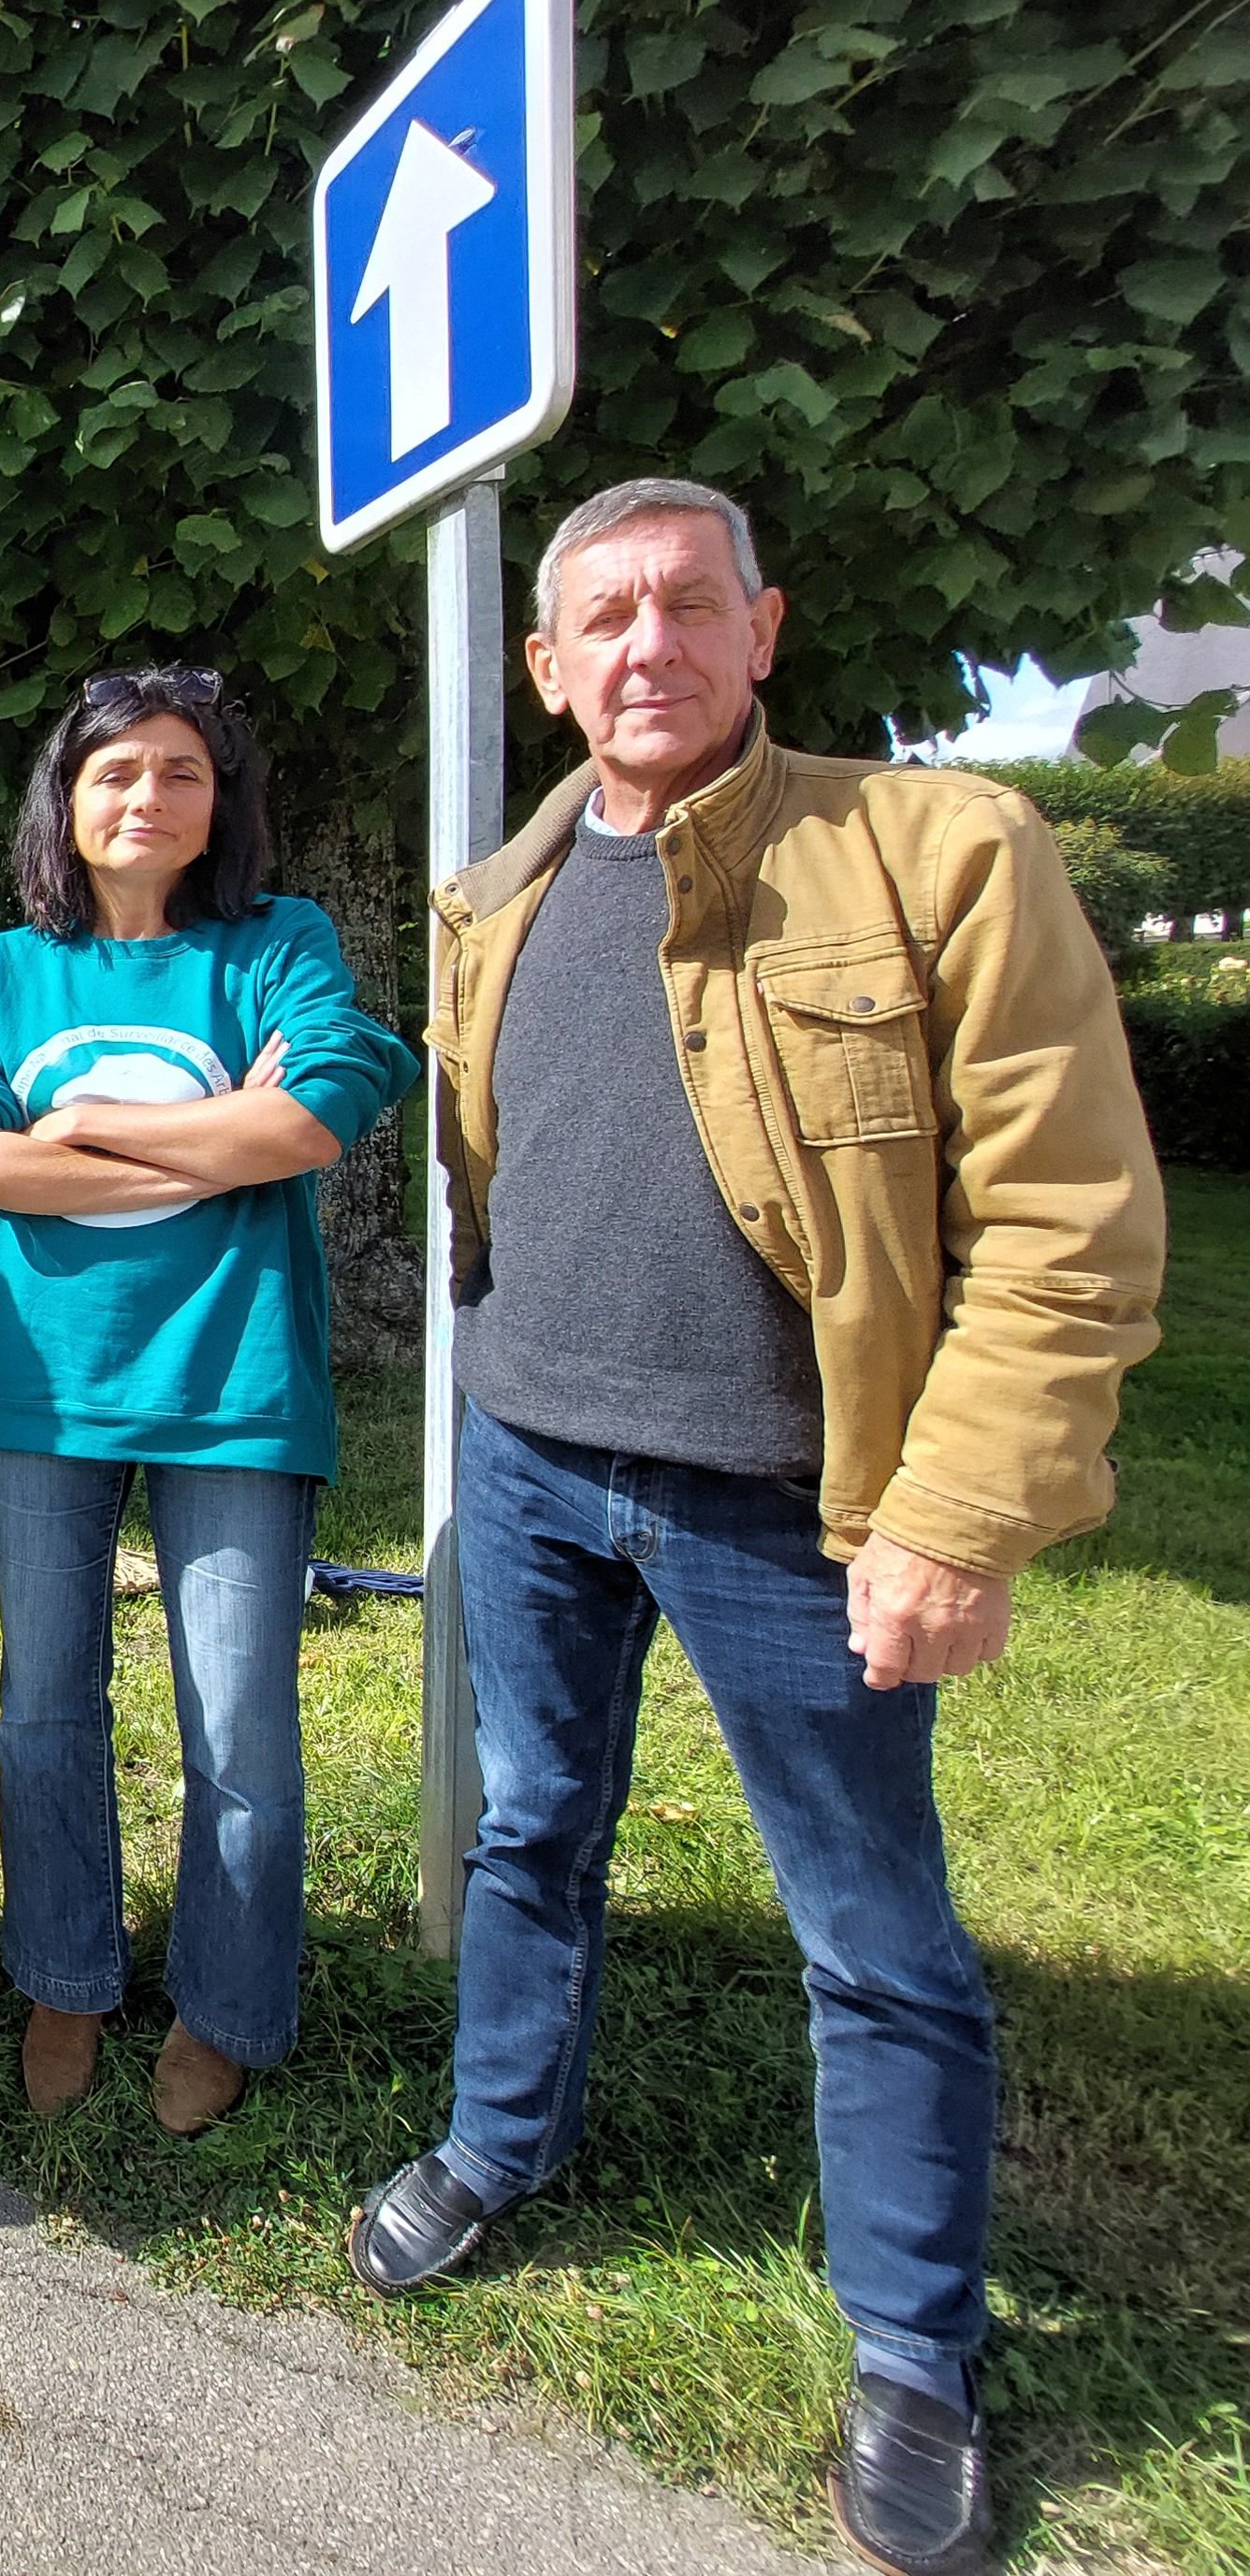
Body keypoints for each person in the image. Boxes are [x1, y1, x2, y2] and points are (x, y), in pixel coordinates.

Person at [347, 478, 1164, 2576]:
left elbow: (1066, 1228)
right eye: (599, 619)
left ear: (761, 625)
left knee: (868, 1935)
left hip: (796, 1514)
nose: (643, 646)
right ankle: (494, 2142)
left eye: (683, 605)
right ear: (542, 667)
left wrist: (950, 1519)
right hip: (530, 1468)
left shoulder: (931, 854)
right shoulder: (495, 892)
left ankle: (909, 2350)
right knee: (531, 1831)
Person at [0, 669, 417, 2137]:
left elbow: (318, 1112)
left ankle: (228, 2005)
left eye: (180, 771)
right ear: (65, 803)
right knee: (41, 1709)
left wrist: (90, 1121)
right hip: (52, 1387)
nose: (146, 797)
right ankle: (70, 1971)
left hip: (235, 1382)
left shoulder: (279, 944)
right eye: (115, 771)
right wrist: (220, 1141)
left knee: (242, 1732)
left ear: (222, 801)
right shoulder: (10, 969)